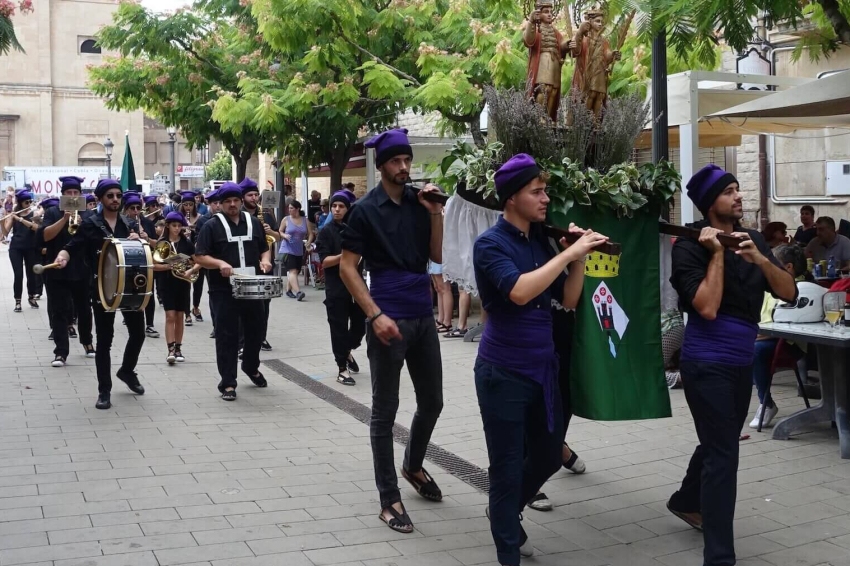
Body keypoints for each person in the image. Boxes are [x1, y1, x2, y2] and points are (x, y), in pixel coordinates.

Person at [472, 154, 607, 565]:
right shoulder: (490, 244)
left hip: (542, 368)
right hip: (503, 371)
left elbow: (567, 300)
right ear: (512, 199)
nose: (546, 198)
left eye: (544, 189)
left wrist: (578, 256)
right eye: (537, 191)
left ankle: (505, 512)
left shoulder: (539, 241)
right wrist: (567, 255)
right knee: (507, 467)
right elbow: (518, 291)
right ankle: (507, 548)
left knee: (549, 454)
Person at [667, 164, 797, 566]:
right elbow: (705, 307)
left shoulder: (753, 238)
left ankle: (686, 499)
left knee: (717, 442)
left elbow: (789, 291)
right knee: (725, 455)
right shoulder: (688, 245)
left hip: (741, 359)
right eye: (729, 191)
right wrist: (718, 255)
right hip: (706, 362)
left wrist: (760, 258)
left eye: (739, 189)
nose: (738, 196)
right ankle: (720, 556)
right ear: (710, 203)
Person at [339, 128, 445, 534]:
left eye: (407, 161)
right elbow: (349, 267)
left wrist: (435, 211)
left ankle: (413, 464)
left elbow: (435, 255)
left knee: (433, 401)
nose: (404, 167)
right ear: (381, 165)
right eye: (397, 161)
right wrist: (374, 314)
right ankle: (389, 499)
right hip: (387, 316)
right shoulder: (365, 210)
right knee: (385, 411)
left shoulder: (420, 205)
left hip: (422, 315)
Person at [54, 179, 149, 409]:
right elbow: (72, 245)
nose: (115, 199)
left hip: (129, 289)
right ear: (101, 199)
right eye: (110, 196)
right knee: (104, 342)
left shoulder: (128, 224)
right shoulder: (90, 223)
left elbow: (139, 253)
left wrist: (140, 240)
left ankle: (126, 371)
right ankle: (104, 390)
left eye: (118, 195)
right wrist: (62, 256)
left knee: (138, 334)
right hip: (101, 289)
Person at [193, 182, 272, 401]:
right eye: (227, 201)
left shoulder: (254, 223)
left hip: (252, 287)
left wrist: (265, 262)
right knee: (226, 335)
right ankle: (227, 383)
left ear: (242, 201)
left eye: (236, 200)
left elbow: (264, 250)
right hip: (223, 290)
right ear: (220, 204)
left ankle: (250, 366)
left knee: (256, 331)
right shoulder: (211, 225)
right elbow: (199, 256)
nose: (232, 205)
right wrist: (219, 263)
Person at [749, 244, 808, 429]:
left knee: (755, 351)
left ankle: (766, 403)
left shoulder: (801, 288)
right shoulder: (771, 284)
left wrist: (755, 337)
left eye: (774, 262)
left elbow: (786, 327)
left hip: (787, 342)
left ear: (789, 267)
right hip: (764, 335)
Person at [40, 176, 95, 366]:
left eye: (75, 193)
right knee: (59, 311)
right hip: (56, 268)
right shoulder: (53, 212)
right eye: (68, 193)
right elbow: (45, 235)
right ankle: (61, 352)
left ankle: (87, 342)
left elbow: (93, 240)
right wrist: (65, 219)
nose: (72, 196)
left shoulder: (87, 214)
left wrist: (82, 225)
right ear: (62, 194)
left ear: (80, 194)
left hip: (81, 268)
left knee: (84, 309)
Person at [315, 190, 365, 386]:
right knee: (338, 329)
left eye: (341, 206)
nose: (337, 210)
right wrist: (344, 256)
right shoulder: (326, 232)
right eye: (334, 206)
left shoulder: (356, 230)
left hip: (357, 287)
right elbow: (325, 261)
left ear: (347, 209)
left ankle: (347, 351)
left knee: (361, 325)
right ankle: (342, 369)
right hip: (336, 289)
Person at [239, 177, 278, 351]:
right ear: (243, 197)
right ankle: (242, 340)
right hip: (245, 264)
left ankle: (261, 336)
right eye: (250, 195)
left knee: (265, 302)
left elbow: (277, 237)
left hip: (265, 264)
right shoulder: (238, 215)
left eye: (256, 195)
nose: (254, 198)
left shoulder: (266, 214)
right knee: (244, 302)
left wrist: (271, 232)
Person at [157, 212, 201, 364]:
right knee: (170, 315)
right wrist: (169, 266)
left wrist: (190, 271)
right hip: (166, 282)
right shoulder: (162, 243)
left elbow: (198, 261)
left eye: (179, 226)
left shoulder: (186, 244)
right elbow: (154, 266)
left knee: (180, 316)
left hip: (182, 283)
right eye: (174, 226)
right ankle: (170, 349)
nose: (176, 229)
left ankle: (178, 348)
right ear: (167, 225)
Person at [2, 190, 42, 312]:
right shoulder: (14, 215)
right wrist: (2, 223)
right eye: (26, 202)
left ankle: (31, 296)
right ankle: (17, 301)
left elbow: (36, 228)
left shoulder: (34, 213)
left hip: (31, 247)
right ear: (20, 202)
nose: (29, 204)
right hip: (16, 248)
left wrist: (20, 220)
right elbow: (4, 234)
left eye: (30, 201)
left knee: (31, 274)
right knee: (18, 274)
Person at [195, 189, 222, 339]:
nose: (218, 206)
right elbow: (199, 241)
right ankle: (215, 325)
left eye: (219, 202)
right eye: (215, 203)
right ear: (209, 204)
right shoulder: (203, 220)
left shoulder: (225, 219)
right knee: (213, 294)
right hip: (209, 262)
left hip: (225, 262)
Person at [279, 200, 315, 301]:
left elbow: (311, 233)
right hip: (287, 248)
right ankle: (298, 292)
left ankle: (288, 290)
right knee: (293, 271)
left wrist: (308, 242)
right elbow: (280, 231)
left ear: (297, 209)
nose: (289, 210)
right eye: (289, 208)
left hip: (299, 249)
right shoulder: (286, 219)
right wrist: (284, 235)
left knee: (296, 271)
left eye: (291, 208)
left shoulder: (305, 220)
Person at [141, 195, 162, 338]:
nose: (135, 211)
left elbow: (158, 244)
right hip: (130, 263)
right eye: (132, 208)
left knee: (150, 293)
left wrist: (146, 238)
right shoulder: (123, 222)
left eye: (138, 208)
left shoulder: (147, 224)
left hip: (148, 261)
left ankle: (149, 324)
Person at [430, 260, 453, 333]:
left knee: (445, 289)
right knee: (438, 288)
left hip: (440, 257)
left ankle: (447, 321)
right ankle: (441, 319)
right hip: (432, 259)